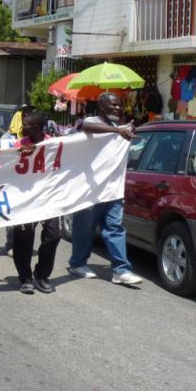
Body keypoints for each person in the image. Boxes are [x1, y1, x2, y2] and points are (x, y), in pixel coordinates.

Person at [68, 93, 143, 286]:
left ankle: (121, 270)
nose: (118, 108)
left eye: (119, 106)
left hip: (113, 190)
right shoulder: (92, 122)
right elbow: (85, 127)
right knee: (84, 229)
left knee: (114, 229)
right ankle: (77, 263)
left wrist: (125, 130)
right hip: (89, 190)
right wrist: (118, 130)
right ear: (101, 106)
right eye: (113, 105)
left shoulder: (121, 128)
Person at [11, 111, 61, 295]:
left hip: (48, 198)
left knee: (54, 235)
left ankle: (42, 274)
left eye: (27, 126)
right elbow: (8, 167)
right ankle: (25, 277)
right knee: (24, 237)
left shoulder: (53, 144)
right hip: (25, 198)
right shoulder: (19, 144)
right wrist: (21, 154)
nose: (22, 128)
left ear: (38, 128)